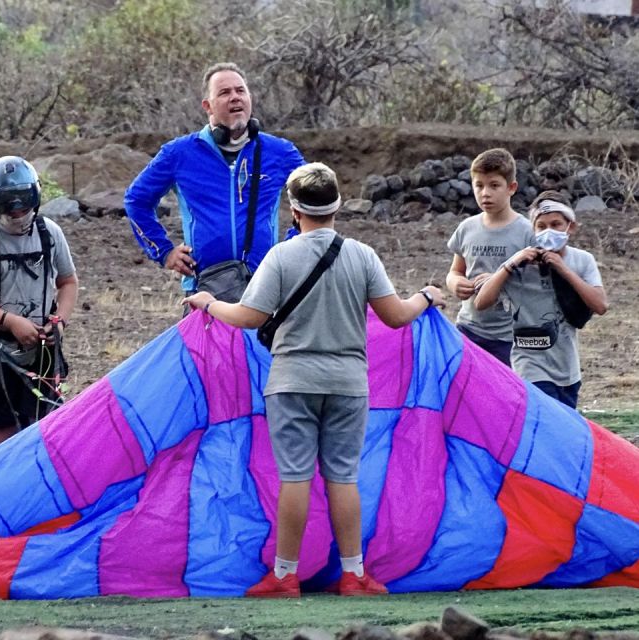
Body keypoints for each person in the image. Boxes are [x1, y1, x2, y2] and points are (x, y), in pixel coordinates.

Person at [184, 162, 445, 598]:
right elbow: (396, 317)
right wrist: (426, 296)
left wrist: (210, 303)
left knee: (295, 478)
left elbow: (249, 318)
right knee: (343, 478)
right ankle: (354, 574)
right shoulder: (361, 255)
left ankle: (285, 576)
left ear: (294, 209)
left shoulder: (282, 257)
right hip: (348, 384)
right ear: (337, 206)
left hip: (291, 382)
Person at [125, 62, 304, 298]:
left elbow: (318, 197)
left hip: (265, 289)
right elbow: (136, 200)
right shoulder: (178, 153)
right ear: (207, 106)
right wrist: (164, 251)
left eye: (241, 91)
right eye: (224, 93)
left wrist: (292, 246)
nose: (235, 98)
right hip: (204, 292)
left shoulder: (279, 151)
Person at [0, 156, 79, 450]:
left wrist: (58, 322)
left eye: (24, 202)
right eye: (8, 203)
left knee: (46, 427)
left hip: (42, 349)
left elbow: (68, 282)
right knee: (3, 432)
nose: (18, 211)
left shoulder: (50, 233)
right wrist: (11, 322)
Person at [474, 191, 607, 409]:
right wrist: (509, 265)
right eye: (541, 226)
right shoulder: (520, 265)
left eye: (556, 224)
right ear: (533, 230)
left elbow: (600, 305)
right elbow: (481, 303)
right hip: (529, 364)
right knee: (545, 418)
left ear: (570, 227)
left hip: (567, 366)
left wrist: (562, 269)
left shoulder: (583, 260)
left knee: (564, 428)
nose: (549, 232)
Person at [446, 148, 535, 365]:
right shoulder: (467, 228)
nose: (485, 193)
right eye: (479, 185)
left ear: (511, 187)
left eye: (494, 185)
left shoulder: (527, 232)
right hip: (468, 329)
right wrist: (456, 283)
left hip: (508, 337)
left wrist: (497, 281)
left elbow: (536, 286)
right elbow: (455, 270)